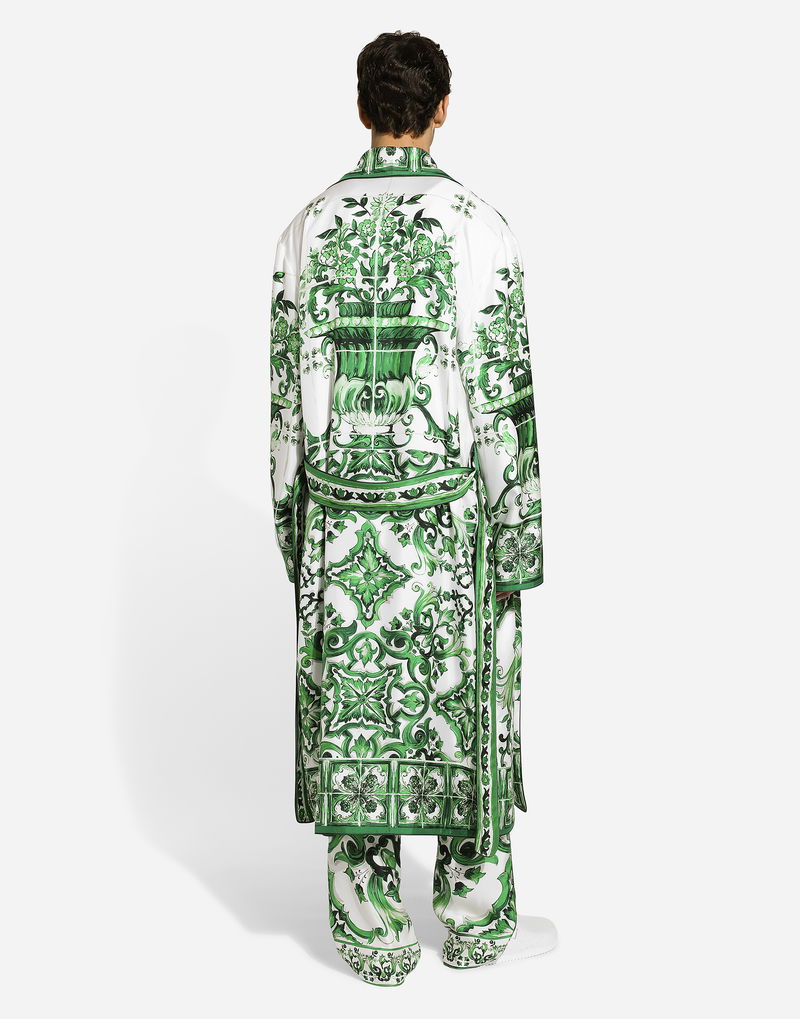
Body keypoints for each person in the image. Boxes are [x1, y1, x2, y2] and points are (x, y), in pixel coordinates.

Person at [270, 30, 545, 986]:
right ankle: (473, 915)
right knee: (470, 700)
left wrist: (297, 535)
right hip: (447, 529)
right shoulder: (478, 226)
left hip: (341, 523)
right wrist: (518, 534)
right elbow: (503, 395)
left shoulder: (304, 232)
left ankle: (371, 927)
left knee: (357, 712)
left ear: (361, 109)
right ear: (442, 110)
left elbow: (286, 409)